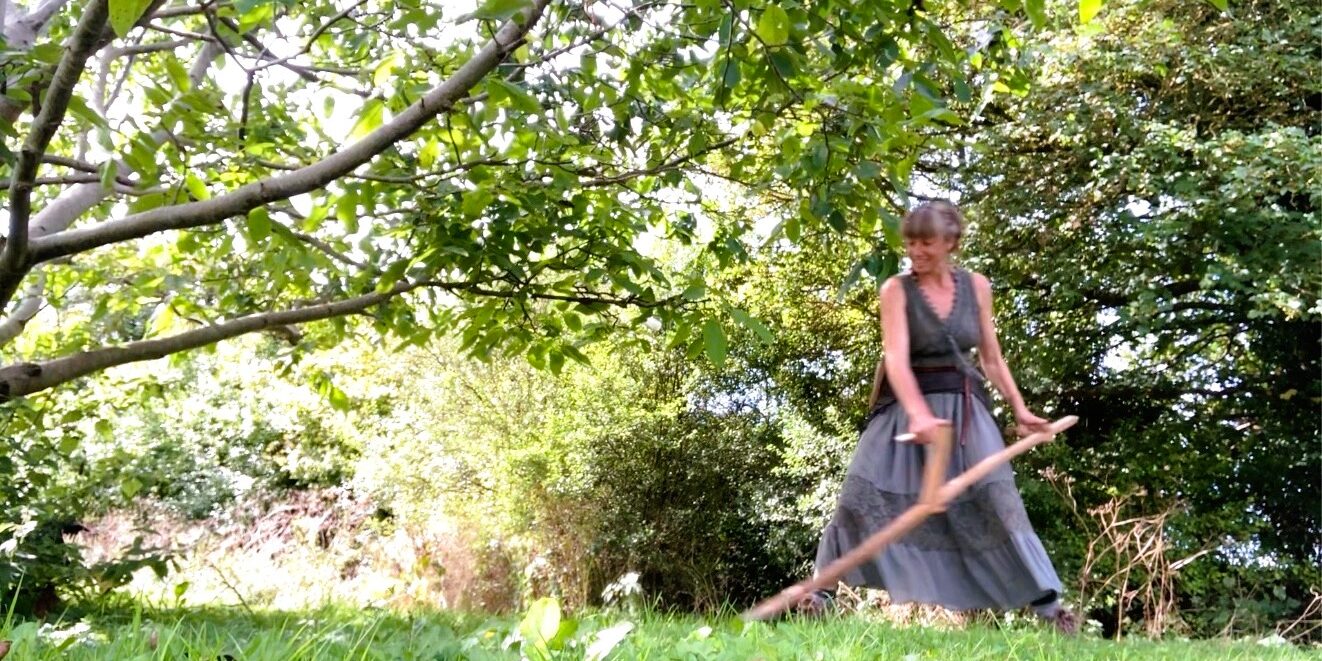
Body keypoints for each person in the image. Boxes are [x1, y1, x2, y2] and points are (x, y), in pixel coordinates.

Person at [796, 201, 1078, 634]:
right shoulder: (895, 290)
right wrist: (919, 417)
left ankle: (1051, 609)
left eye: (926, 242)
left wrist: (1021, 410)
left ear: (951, 243)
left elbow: (992, 359)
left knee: (998, 505)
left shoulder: (978, 287)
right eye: (910, 242)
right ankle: (820, 595)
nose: (916, 251)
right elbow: (896, 360)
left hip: (965, 410)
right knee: (860, 496)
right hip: (903, 410)